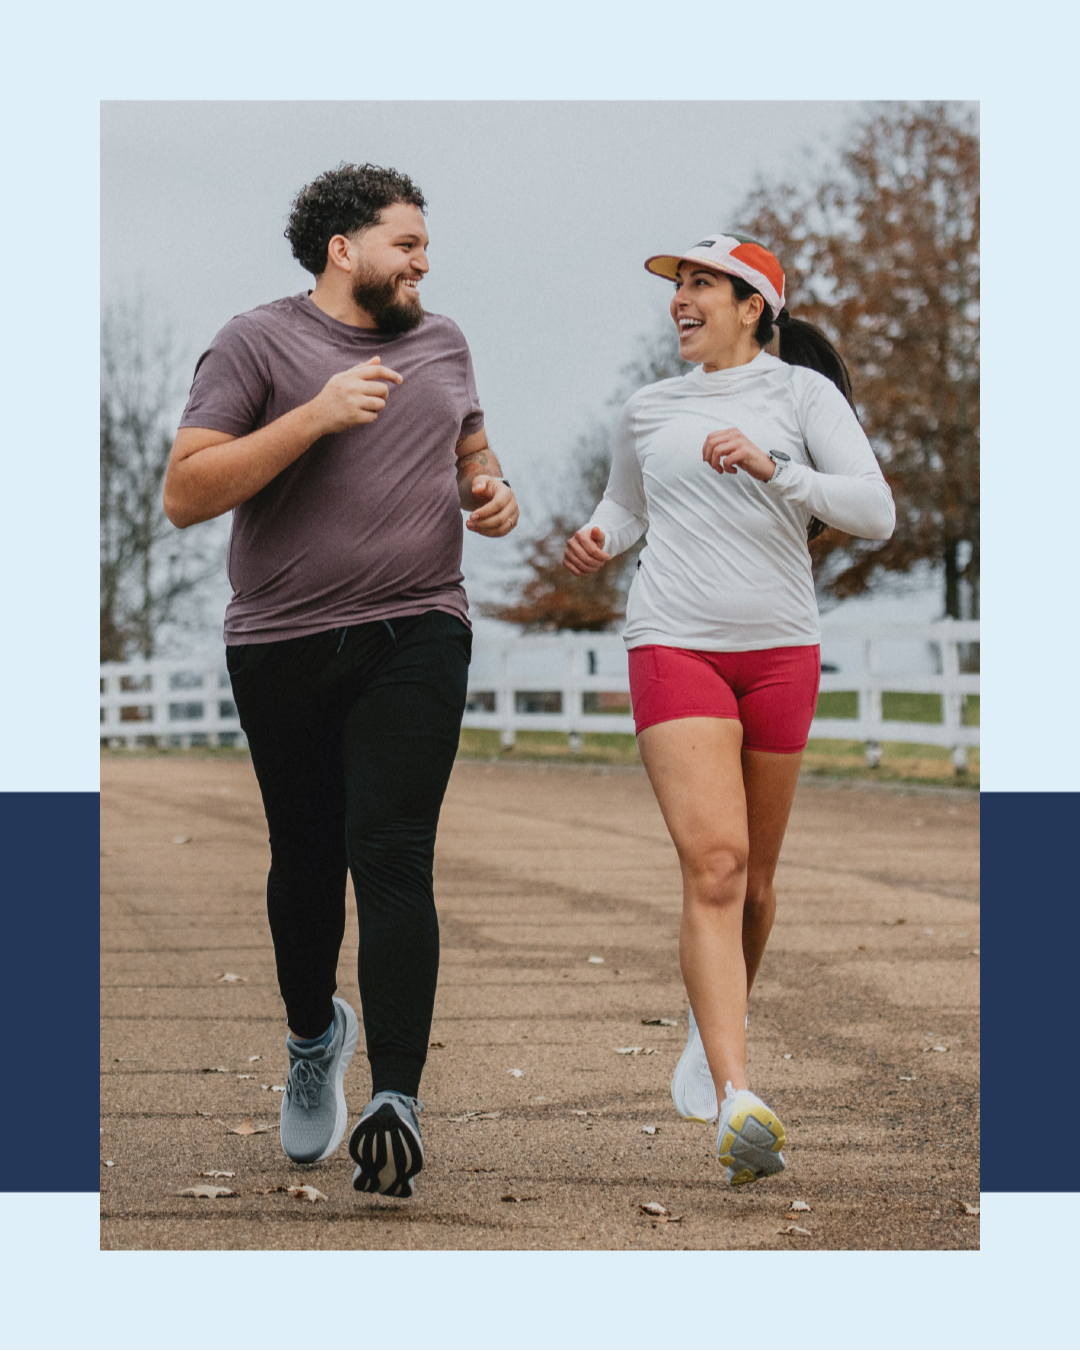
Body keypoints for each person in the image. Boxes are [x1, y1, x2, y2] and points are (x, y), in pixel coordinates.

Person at [163, 164, 519, 1199]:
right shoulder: (255, 343)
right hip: (282, 640)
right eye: (405, 242)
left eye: (424, 244)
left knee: (393, 849)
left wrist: (489, 491)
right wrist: (313, 417)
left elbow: (474, 450)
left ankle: (397, 1097)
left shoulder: (443, 342)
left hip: (418, 627)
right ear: (342, 250)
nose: (423, 260)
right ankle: (315, 1036)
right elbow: (188, 490)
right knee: (308, 861)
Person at [563, 232, 894, 1186]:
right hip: (674, 640)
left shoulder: (802, 397)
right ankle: (739, 1091)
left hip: (782, 647)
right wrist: (598, 537)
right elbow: (626, 507)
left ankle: (714, 1036)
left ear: (753, 306)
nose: (682, 298)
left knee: (754, 886)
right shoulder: (648, 408)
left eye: (701, 283)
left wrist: (774, 468)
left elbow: (876, 512)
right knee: (714, 864)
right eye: (678, 284)